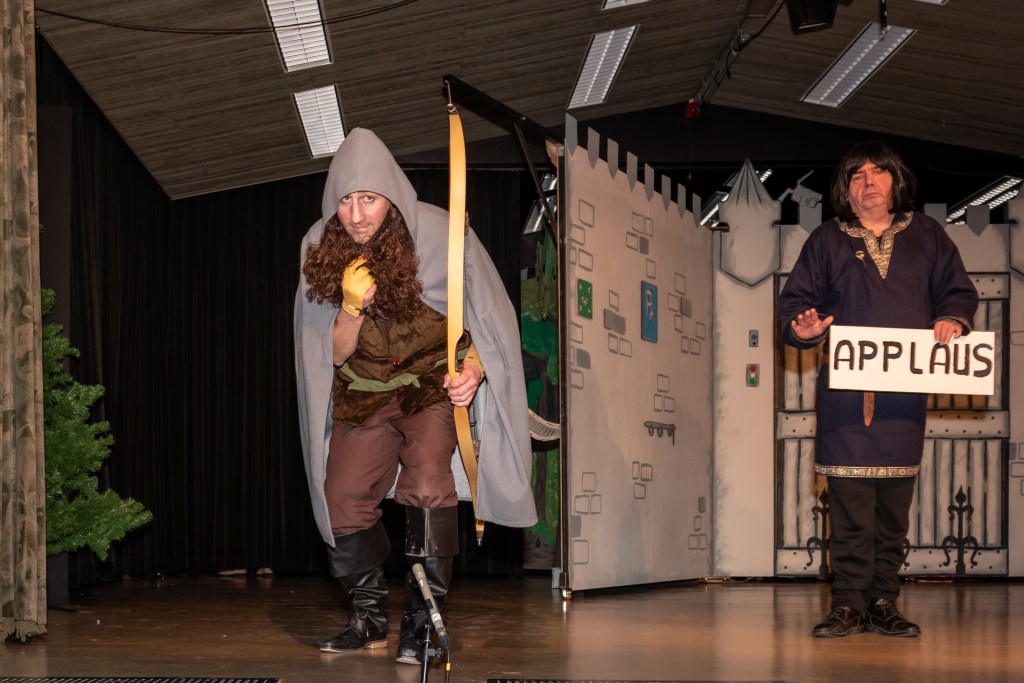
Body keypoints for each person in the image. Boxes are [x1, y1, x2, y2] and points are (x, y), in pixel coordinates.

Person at [294, 128, 537, 663]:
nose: (357, 215)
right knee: (340, 501)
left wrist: (474, 370)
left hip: (430, 386)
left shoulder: (441, 234)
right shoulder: (320, 246)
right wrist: (351, 305)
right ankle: (369, 617)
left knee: (428, 485)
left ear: (392, 196)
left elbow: (489, 321)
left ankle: (424, 621)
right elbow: (330, 354)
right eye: (346, 200)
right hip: (363, 391)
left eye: (370, 198)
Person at [777, 141, 978, 639]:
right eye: (857, 175)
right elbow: (796, 303)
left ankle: (883, 601)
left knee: (892, 508)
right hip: (847, 399)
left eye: (878, 172)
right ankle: (848, 604)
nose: (869, 182)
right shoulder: (826, 241)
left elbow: (956, 289)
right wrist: (804, 327)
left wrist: (952, 318)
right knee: (849, 507)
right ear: (845, 189)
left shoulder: (927, 235)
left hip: (904, 399)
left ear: (896, 180)